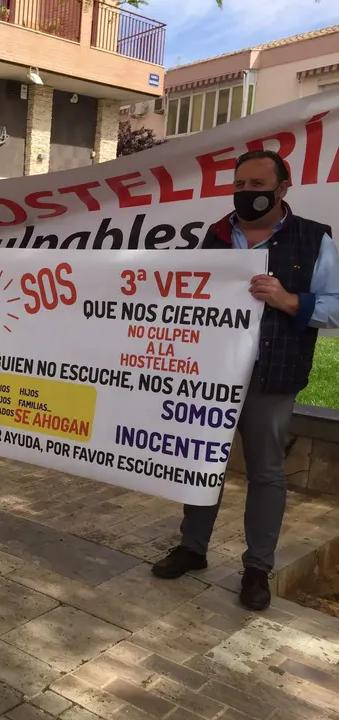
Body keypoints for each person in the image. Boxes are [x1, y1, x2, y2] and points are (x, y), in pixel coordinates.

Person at [151, 150, 339, 611]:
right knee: (203, 460)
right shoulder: (214, 237)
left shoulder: (314, 240)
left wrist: (290, 300)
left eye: (258, 185)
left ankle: (257, 567)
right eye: (240, 184)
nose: (247, 193)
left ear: (282, 189)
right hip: (211, 375)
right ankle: (193, 548)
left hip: (272, 377)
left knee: (267, 472)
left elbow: (337, 306)